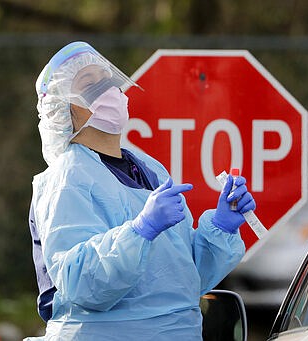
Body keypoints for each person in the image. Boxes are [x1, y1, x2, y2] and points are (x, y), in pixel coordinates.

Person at [26, 41, 256, 340]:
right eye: (88, 82)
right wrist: (140, 230)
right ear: (65, 110)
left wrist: (221, 229)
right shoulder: (66, 178)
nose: (105, 87)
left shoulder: (150, 168)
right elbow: (82, 284)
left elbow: (182, 279)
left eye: (105, 77)